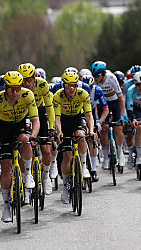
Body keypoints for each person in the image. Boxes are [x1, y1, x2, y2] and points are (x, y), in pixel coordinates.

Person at [0, 71, 39, 224]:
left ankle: (27, 175)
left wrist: (33, 136)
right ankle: (6, 206)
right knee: (6, 166)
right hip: (4, 128)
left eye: (18, 88)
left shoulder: (27, 95)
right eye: (11, 89)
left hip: (21, 125)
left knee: (25, 139)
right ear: (6, 88)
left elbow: (35, 120)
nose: (15, 93)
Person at [52, 69, 95, 204]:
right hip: (64, 121)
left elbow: (89, 115)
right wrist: (59, 132)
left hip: (77, 118)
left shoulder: (83, 94)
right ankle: (65, 187)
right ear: (64, 85)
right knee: (67, 155)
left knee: (81, 136)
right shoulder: (58, 96)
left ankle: (84, 166)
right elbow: (57, 118)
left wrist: (92, 130)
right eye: (69, 85)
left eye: (74, 85)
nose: (72, 88)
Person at [18, 62, 57, 193]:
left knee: (46, 150)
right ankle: (25, 180)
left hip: (39, 113)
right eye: (23, 81)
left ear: (34, 78)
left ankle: (46, 177)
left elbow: (49, 108)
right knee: (24, 147)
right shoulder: (17, 88)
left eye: (29, 80)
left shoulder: (42, 84)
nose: (26, 84)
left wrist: (51, 127)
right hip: (23, 114)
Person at [91, 60, 126, 169]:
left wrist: (121, 116)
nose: (95, 78)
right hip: (103, 104)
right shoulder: (94, 82)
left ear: (103, 74)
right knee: (104, 128)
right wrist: (97, 118)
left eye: (97, 75)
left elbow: (121, 97)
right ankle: (106, 157)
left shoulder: (111, 78)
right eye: (94, 75)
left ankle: (120, 153)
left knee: (118, 128)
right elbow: (94, 102)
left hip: (115, 102)